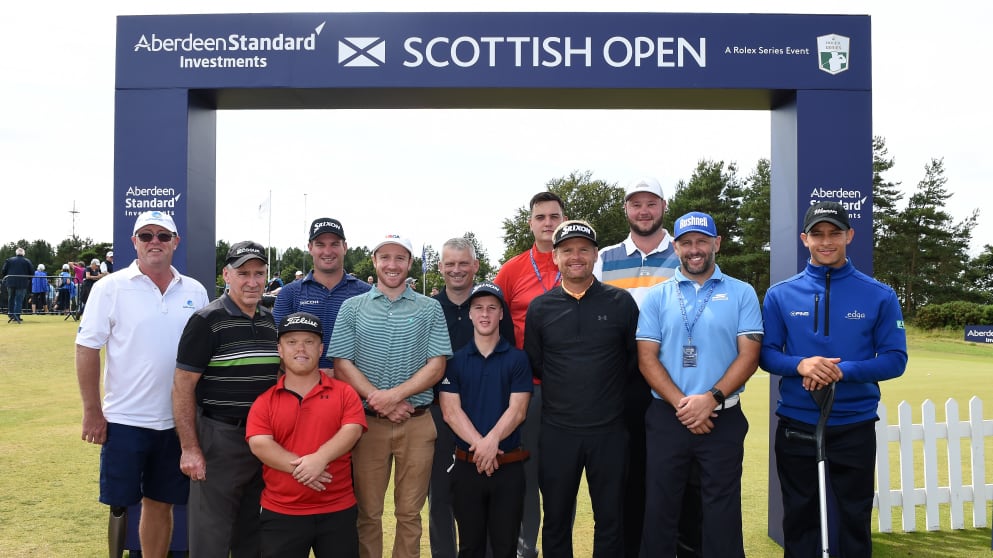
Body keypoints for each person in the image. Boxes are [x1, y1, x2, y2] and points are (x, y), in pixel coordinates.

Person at [760, 201, 908, 557]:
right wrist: (802, 365)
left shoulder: (880, 295)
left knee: (854, 519)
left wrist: (841, 371)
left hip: (854, 424)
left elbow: (895, 359)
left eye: (834, 233)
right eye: (817, 234)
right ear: (804, 239)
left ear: (849, 235)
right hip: (797, 423)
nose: (826, 241)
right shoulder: (780, 294)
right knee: (800, 518)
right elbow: (766, 354)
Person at [75, 210, 210, 558]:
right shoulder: (109, 287)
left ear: (175, 242)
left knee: (161, 502)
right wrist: (92, 411)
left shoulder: (195, 290)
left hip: (176, 422)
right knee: (119, 505)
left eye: (163, 236)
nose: (155, 242)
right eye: (146, 236)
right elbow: (87, 349)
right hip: (125, 420)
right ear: (134, 242)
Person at [636, 211, 763, 558]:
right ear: (675, 247)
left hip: (722, 416)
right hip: (668, 416)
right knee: (660, 509)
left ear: (716, 244)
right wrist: (685, 405)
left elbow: (749, 355)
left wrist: (711, 399)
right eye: (687, 242)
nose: (695, 249)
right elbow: (647, 358)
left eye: (702, 241)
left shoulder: (742, 293)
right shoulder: (657, 296)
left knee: (721, 512)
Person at [593, 177, 700, 557]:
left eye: (651, 203)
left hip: (677, 378)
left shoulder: (684, 253)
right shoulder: (605, 258)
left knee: (682, 476)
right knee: (631, 473)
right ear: (626, 209)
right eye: (636, 204)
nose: (644, 211)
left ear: (663, 207)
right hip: (622, 382)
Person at [328, 233, 452, 558]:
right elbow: (342, 364)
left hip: (417, 422)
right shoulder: (352, 307)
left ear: (409, 263)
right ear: (374, 261)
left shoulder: (430, 308)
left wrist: (392, 397)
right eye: (385, 257)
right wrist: (379, 400)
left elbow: (437, 365)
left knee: (409, 515)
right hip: (367, 425)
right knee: (368, 514)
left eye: (400, 258)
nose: (392, 265)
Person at [524, 220, 640, 557]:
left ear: (595, 255)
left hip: (609, 432)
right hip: (558, 432)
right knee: (556, 519)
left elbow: (633, 361)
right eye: (567, 250)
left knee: (611, 519)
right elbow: (536, 362)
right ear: (555, 257)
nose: (576, 256)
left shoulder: (621, 303)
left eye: (584, 249)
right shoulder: (540, 308)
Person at [172, 240, 281, 557]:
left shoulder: (268, 320)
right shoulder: (207, 321)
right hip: (219, 438)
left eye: (259, 273)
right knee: (211, 537)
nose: (252, 282)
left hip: (262, 440)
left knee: (251, 534)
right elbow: (182, 387)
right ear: (226, 275)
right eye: (243, 273)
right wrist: (190, 448)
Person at [247, 312, 367, 558]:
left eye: (309, 342)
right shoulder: (265, 401)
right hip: (282, 512)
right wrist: (305, 468)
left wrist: (319, 459)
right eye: (291, 342)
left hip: (337, 510)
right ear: (280, 350)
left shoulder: (345, 393)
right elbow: (259, 444)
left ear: (321, 349)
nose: (300, 349)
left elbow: (352, 429)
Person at [430, 237, 516, 558]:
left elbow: (507, 359)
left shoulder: (490, 307)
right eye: (450, 263)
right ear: (440, 267)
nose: (457, 270)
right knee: (440, 496)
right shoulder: (430, 308)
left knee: (488, 493)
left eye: (463, 263)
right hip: (440, 414)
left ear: (475, 266)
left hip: (487, 413)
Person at [493, 191, 566, 558]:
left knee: (561, 475)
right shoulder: (512, 269)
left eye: (554, 216)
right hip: (528, 389)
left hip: (573, 389)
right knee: (526, 471)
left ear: (564, 220)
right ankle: (526, 546)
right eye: (541, 217)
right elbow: (491, 321)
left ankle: (556, 546)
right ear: (530, 223)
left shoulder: (580, 260)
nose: (548, 223)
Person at [439, 282, 533, 558]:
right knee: (470, 548)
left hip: (508, 467)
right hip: (467, 468)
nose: (485, 314)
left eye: (492, 308)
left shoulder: (518, 359)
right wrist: (483, 447)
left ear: (501, 314)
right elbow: (450, 412)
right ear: (470, 313)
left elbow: (518, 410)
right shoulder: (454, 361)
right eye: (478, 308)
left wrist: (491, 443)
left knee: (505, 548)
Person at [273, 217, 371, 370]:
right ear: (310, 247)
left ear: (345, 247)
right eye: (320, 244)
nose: (327, 251)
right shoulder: (289, 293)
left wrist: (338, 377)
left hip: (354, 384)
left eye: (334, 244)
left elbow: (375, 349)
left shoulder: (366, 293)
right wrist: (315, 377)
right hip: (303, 384)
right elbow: (278, 348)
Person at [2, 247, 33, 323]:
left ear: (16, 253)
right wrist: (27, 279)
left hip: (10, 282)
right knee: (19, 300)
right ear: (23, 253)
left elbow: (3, 271)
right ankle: (16, 316)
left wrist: (8, 277)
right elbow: (32, 272)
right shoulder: (27, 261)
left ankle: (11, 314)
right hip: (22, 283)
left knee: (11, 298)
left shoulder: (9, 260)